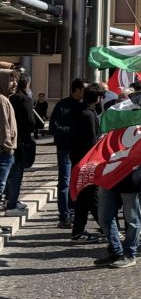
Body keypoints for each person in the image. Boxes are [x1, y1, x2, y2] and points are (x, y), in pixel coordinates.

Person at [94, 155, 141, 268]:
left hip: (130, 175)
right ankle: (116, 251)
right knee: (104, 217)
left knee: (132, 219)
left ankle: (129, 254)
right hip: (108, 175)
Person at [49, 78, 85, 228]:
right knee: (64, 182)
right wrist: (72, 132)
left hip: (80, 150)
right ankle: (64, 215)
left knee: (76, 182)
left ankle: (73, 211)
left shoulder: (84, 106)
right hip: (65, 149)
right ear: (76, 89)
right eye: (83, 89)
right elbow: (53, 127)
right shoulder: (62, 105)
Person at [70, 83, 104, 240]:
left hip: (79, 158)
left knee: (84, 197)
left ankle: (78, 230)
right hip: (88, 160)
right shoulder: (89, 115)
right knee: (92, 195)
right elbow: (91, 141)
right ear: (97, 98)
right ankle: (107, 227)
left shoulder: (80, 111)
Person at [5, 72, 34, 214]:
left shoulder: (9, 98)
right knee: (16, 173)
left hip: (11, 141)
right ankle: (11, 203)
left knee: (8, 175)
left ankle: (11, 200)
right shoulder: (22, 99)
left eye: (15, 81)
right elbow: (30, 123)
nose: (14, 84)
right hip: (16, 142)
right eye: (11, 81)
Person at [0, 71, 16, 212]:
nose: (15, 84)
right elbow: (4, 126)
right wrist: (8, 147)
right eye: (11, 80)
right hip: (3, 151)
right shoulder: (2, 100)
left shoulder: (5, 99)